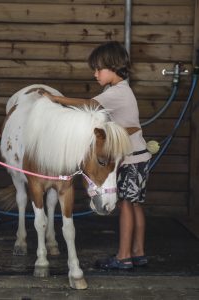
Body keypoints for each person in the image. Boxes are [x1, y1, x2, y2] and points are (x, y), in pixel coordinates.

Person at [28, 41, 151, 269]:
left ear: (113, 67)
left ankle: (124, 257)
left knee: (125, 205)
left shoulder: (118, 92)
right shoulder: (118, 90)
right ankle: (138, 252)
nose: (95, 74)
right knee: (135, 205)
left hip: (130, 158)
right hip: (139, 157)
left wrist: (55, 101)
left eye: (98, 69)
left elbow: (88, 105)